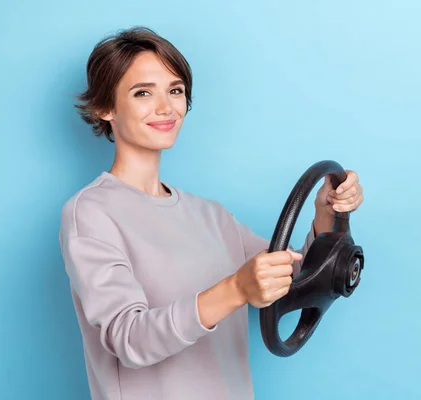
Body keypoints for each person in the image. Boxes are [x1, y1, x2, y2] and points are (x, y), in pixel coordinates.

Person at [59, 26, 364, 400]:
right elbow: (128, 339)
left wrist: (324, 215)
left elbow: (290, 280)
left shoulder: (211, 215)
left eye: (175, 90)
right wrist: (235, 289)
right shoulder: (91, 212)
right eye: (143, 93)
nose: (165, 107)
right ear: (105, 108)